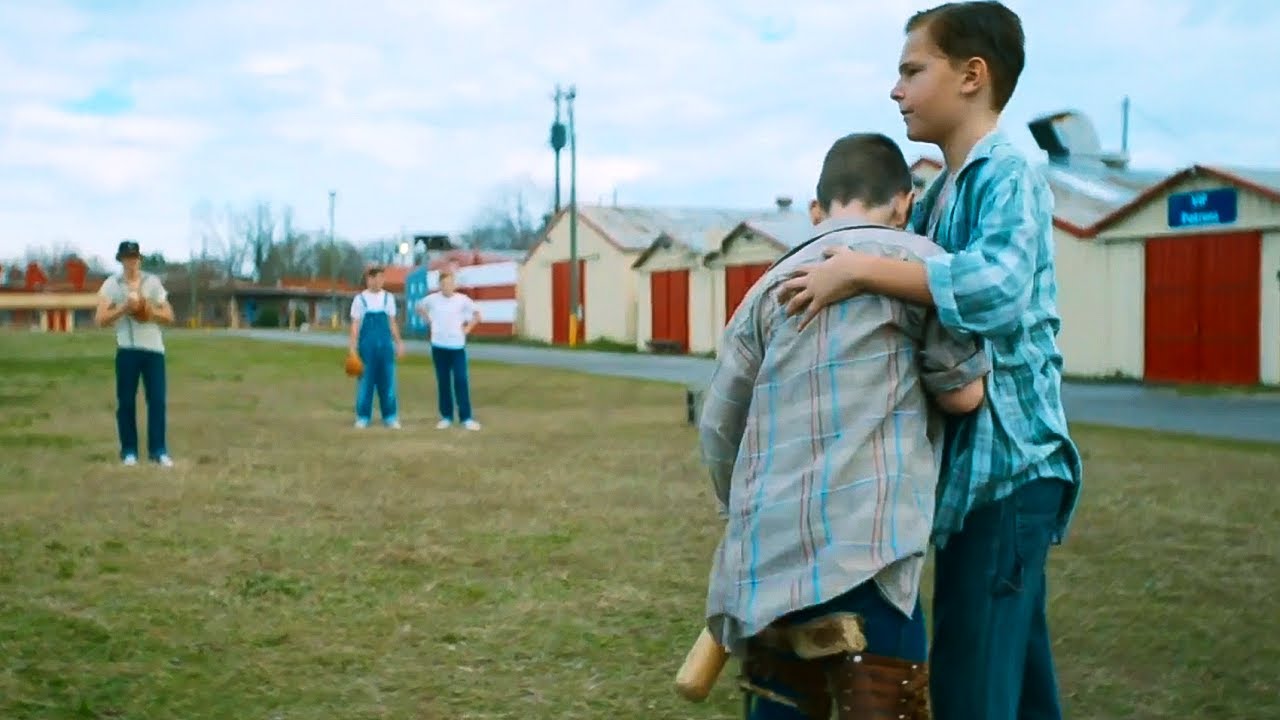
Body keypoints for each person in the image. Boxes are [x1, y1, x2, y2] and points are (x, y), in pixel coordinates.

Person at [776, 3, 1084, 719]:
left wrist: (859, 271)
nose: (896, 91)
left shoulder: (1009, 175)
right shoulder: (939, 195)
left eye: (913, 71)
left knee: (971, 684)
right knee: (1019, 679)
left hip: (1010, 475)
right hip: (975, 484)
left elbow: (995, 288)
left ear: (973, 76)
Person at [698, 132, 991, 719]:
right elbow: (962, 394)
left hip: (772, 559)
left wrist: (747, 511)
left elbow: (720, 427)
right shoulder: (921, 267)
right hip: (871, 552)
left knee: (781, 705)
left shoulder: (764, 290)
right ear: (905, 202)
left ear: (817, 209)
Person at [94, 240, 176, 467]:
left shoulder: (152, 282)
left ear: (139, 259)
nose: (131, 262)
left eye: (135, 258)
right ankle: (129, 451)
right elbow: (100, 319)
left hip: (153, 350)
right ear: (120, 260)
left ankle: (158, 451)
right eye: (127, 258)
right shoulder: (112, 284)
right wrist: (123, 308)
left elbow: (169, 315)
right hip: (127, 350)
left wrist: (148, 311)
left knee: (157, 400)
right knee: (126, 402)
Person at [416, 268, 482, 431]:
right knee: (443, 381)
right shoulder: (432, 299)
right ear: (439, 285)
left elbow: (477, 315)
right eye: (444, 284)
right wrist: (430, 321)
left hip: (457, 346)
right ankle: (446, 416)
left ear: (455, 284)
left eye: (450, 283)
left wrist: (467, 329)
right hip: (439, 345)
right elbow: (419, 307)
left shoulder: (462, 300)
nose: (447, 286)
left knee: (460, 380)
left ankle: (466, 418)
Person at [349, 265, 405, 429]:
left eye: (381, 277)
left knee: (387, 382)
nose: (378, 281)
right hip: (367, 348)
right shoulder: (360, 299)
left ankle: (390, 416)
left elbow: (392, 323)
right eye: (375, 277)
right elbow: (355, 325)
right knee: (366, 382)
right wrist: (352, 348)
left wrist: (399, 342)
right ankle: (363, 416)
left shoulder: (389, 298)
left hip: (386, 347)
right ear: (368, 279)